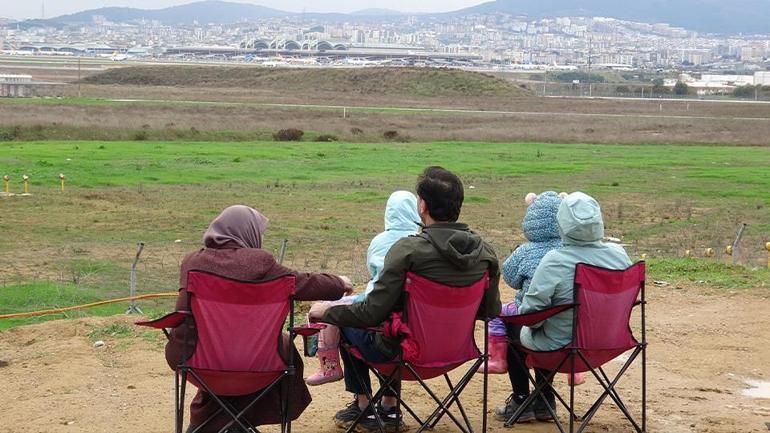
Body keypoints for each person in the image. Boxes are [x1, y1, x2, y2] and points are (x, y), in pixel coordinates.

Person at [310, 166, 502, 433]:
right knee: (394, 324)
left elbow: (370, 313)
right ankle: (389, 408)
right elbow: (490, 310)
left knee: (353, 323)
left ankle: (364, 406)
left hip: (405, 355)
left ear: (422, 205)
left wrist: (327, 312)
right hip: (455, 353)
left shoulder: (408, 251)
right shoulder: (485, 254)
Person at [165, 205, 353, 433]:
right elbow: (306, 282)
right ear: (248, 232)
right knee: (272, 351)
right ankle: (238, 423)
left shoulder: (192, 263)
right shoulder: (261, 264)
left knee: (224, 356)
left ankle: (212, 424)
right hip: (256, 364)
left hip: (193, 359)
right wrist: (339, 283)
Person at [495, 192, 632, 424]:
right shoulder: (619, 255)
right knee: (549, 327)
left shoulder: (556, 260)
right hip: (610, 343)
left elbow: (531, 316)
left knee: (521, 329)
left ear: (563, 224)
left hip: (563, 349)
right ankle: (544, 401)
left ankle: (522, 400)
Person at [305, 191, 420, 386]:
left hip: (379, 311)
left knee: (335, 312)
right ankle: (389, 401)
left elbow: (373, 273)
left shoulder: (380, 241)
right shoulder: (422, 242)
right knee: (386, 324)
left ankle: (331, 367)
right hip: (419, 331)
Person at [484, 191, 566, 374]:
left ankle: (497, 358)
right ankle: (573, 370)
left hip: (529, 315)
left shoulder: (526, 251)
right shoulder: (570, 251)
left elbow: (510, 277)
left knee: (500, 314)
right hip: (566, 320)